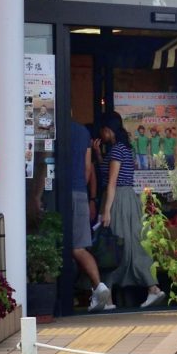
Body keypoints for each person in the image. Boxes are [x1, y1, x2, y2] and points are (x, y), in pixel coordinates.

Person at [94, 108, 157, 309]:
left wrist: (106, 211)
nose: (101, 136)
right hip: (129, 198)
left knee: (113, 246)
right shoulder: (124, 148)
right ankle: (151, 288)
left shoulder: (116, 150)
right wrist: (97, 154)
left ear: (108, 130)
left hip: (118, 199)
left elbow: (111, 182)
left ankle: (109, 299)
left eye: (103, 131)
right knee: (130, 245)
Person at [66, 117, 109, 312]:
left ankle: (98, 287)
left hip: (65, 193)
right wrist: (86, 193)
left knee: (75, 248)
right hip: (79, 191)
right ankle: (97, 289)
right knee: (79, 245)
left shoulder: (57, 128)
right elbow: (87, 167)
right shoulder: (82, 132)